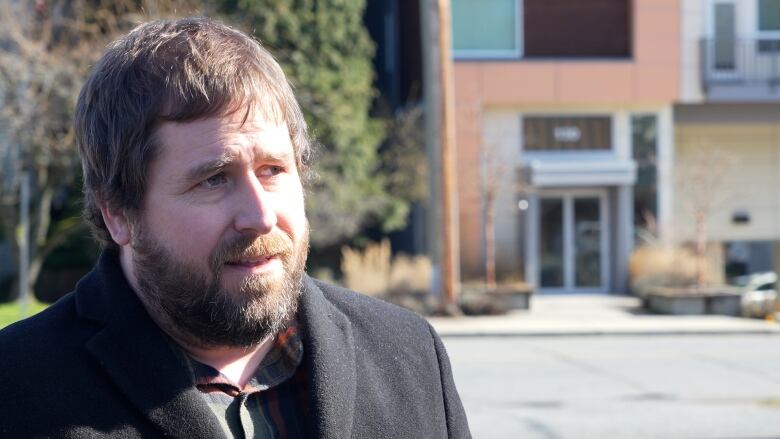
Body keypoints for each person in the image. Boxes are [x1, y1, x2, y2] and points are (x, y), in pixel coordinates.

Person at [0, 17, 470, 439]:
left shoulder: (410, 356)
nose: (261, 216)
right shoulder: (16, 390)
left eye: (272, 170)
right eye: (213, 179)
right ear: (118, 213)